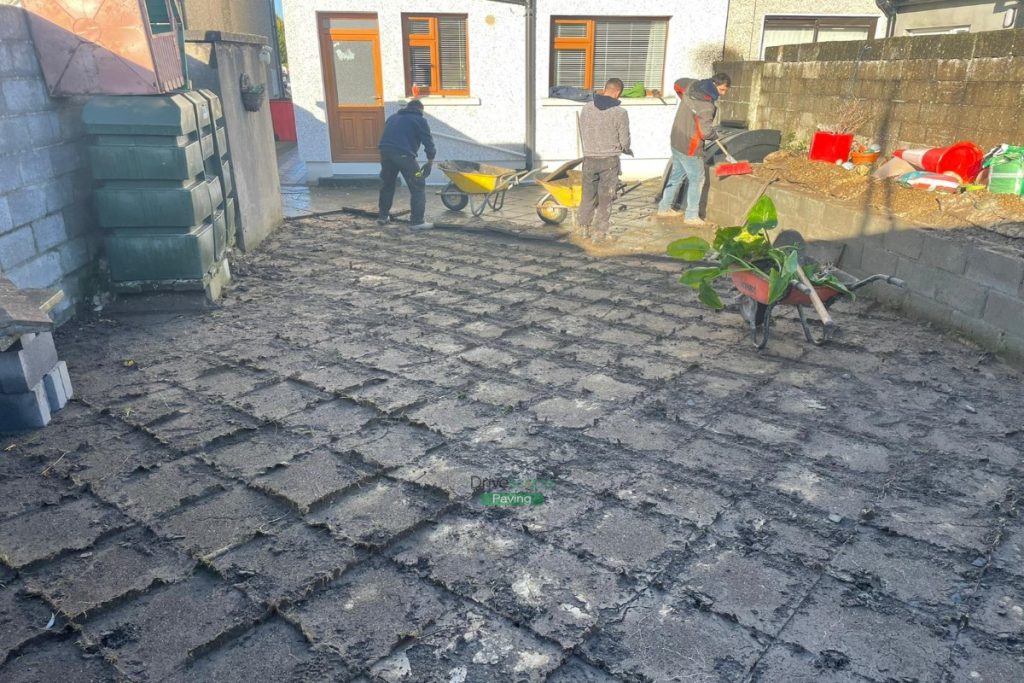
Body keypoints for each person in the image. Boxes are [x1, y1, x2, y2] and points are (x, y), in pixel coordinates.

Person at [656, 72, 730, 225]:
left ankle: (664, 208)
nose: (723, 94)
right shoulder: (707, 106)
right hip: (690, 147)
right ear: (714, 85)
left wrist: (683, 98)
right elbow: (704, 132)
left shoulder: (691, 86)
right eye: (722, 90)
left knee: (676, 176)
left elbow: (677, 82)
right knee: (697, 179)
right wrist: (714, 134)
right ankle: (691, 216)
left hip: (676, 140)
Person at [578, 78, 631, 242]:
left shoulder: (586, 108)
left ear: (604, 89)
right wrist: (626, 148)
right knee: (605, 198)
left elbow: (583, 131)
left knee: (587, 195)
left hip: (589, 158)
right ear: (617, 92)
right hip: (609, 160)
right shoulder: (620, 113)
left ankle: (583, 228)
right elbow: (624, 140)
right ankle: (600, 232)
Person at [377, 99, 436, 230]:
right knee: (418, 183)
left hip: (385, 154)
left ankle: (382, 217)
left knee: (387, 184)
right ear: (420, 110)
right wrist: (430, 160)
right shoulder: (420, 120)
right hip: (404, 156)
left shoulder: (392, 117)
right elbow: (428, 142)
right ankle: (417, 221)